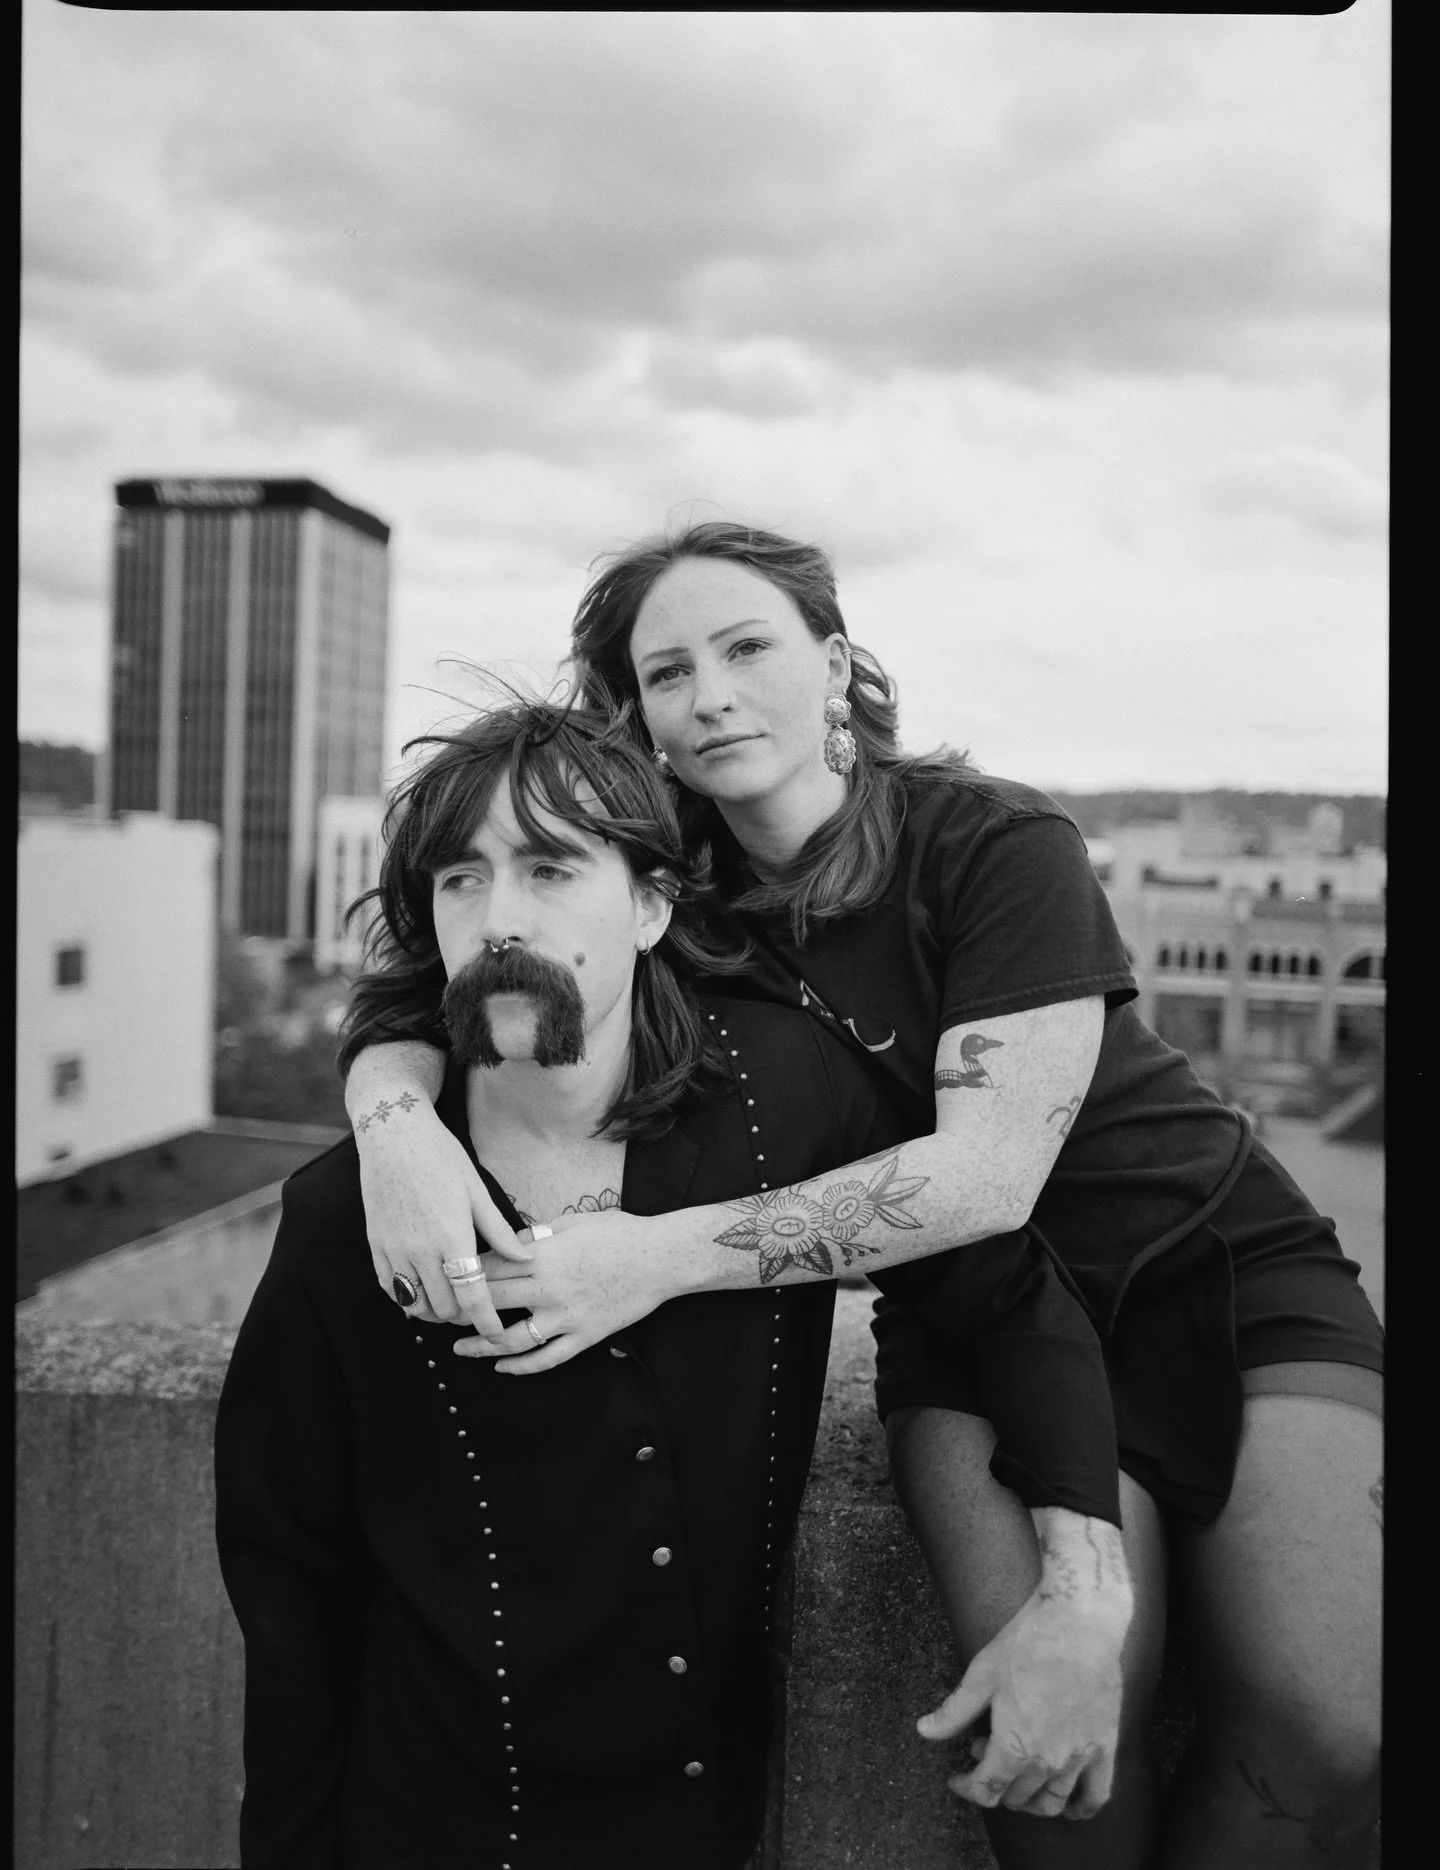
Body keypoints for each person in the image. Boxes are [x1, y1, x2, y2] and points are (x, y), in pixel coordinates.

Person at [344, 525, 1383, 1870]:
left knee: (1332, 1729)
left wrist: (651, 1257)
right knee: (1056, 1779)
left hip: (1223, 1269)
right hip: (976, 1326)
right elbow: (419, 983)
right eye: (667, 672)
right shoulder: (672, 900)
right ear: (642, 716)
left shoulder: (993, 840)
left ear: (835, 664)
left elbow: (990, 1171)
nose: (710, 693)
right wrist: (393, 1129)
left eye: (746, 647)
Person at [215, 699, 1133, 1870]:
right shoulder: (348, 1210)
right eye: (460, 878)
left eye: (552, 867)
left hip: (703, 1828)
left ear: (651, 904)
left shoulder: (784, 1096)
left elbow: (1002, 1289)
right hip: (433, 1827)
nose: (499, 916)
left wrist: (1081, 1588)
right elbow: (291, 1591)